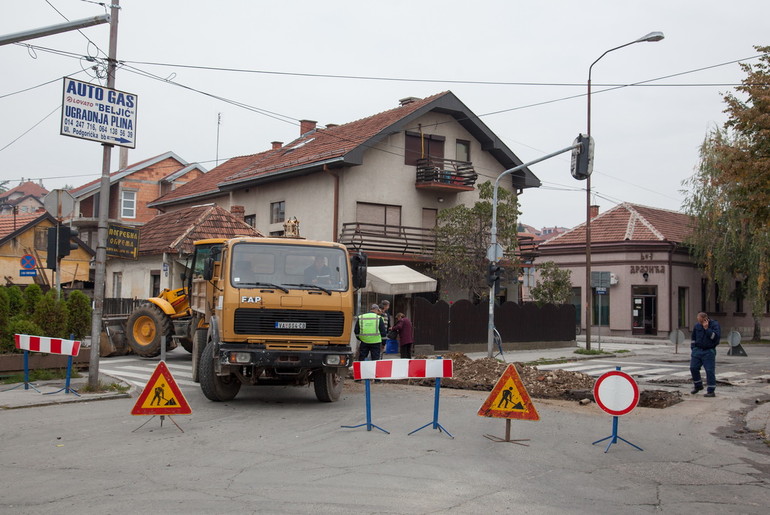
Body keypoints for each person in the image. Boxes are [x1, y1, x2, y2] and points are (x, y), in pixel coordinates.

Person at [690, 312, 721, 397]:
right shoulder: (697, 326)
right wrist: (693, 348)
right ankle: (698, 385)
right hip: (697, 350)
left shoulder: (714, 325)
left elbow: (715, 338)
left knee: (709, 370)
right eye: (698, 320)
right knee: (693, 368)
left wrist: (707, 329)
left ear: (705, 319)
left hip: (708, 351)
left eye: (700, 320)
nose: (699, 322)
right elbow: (693, 338)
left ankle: (711, 391)